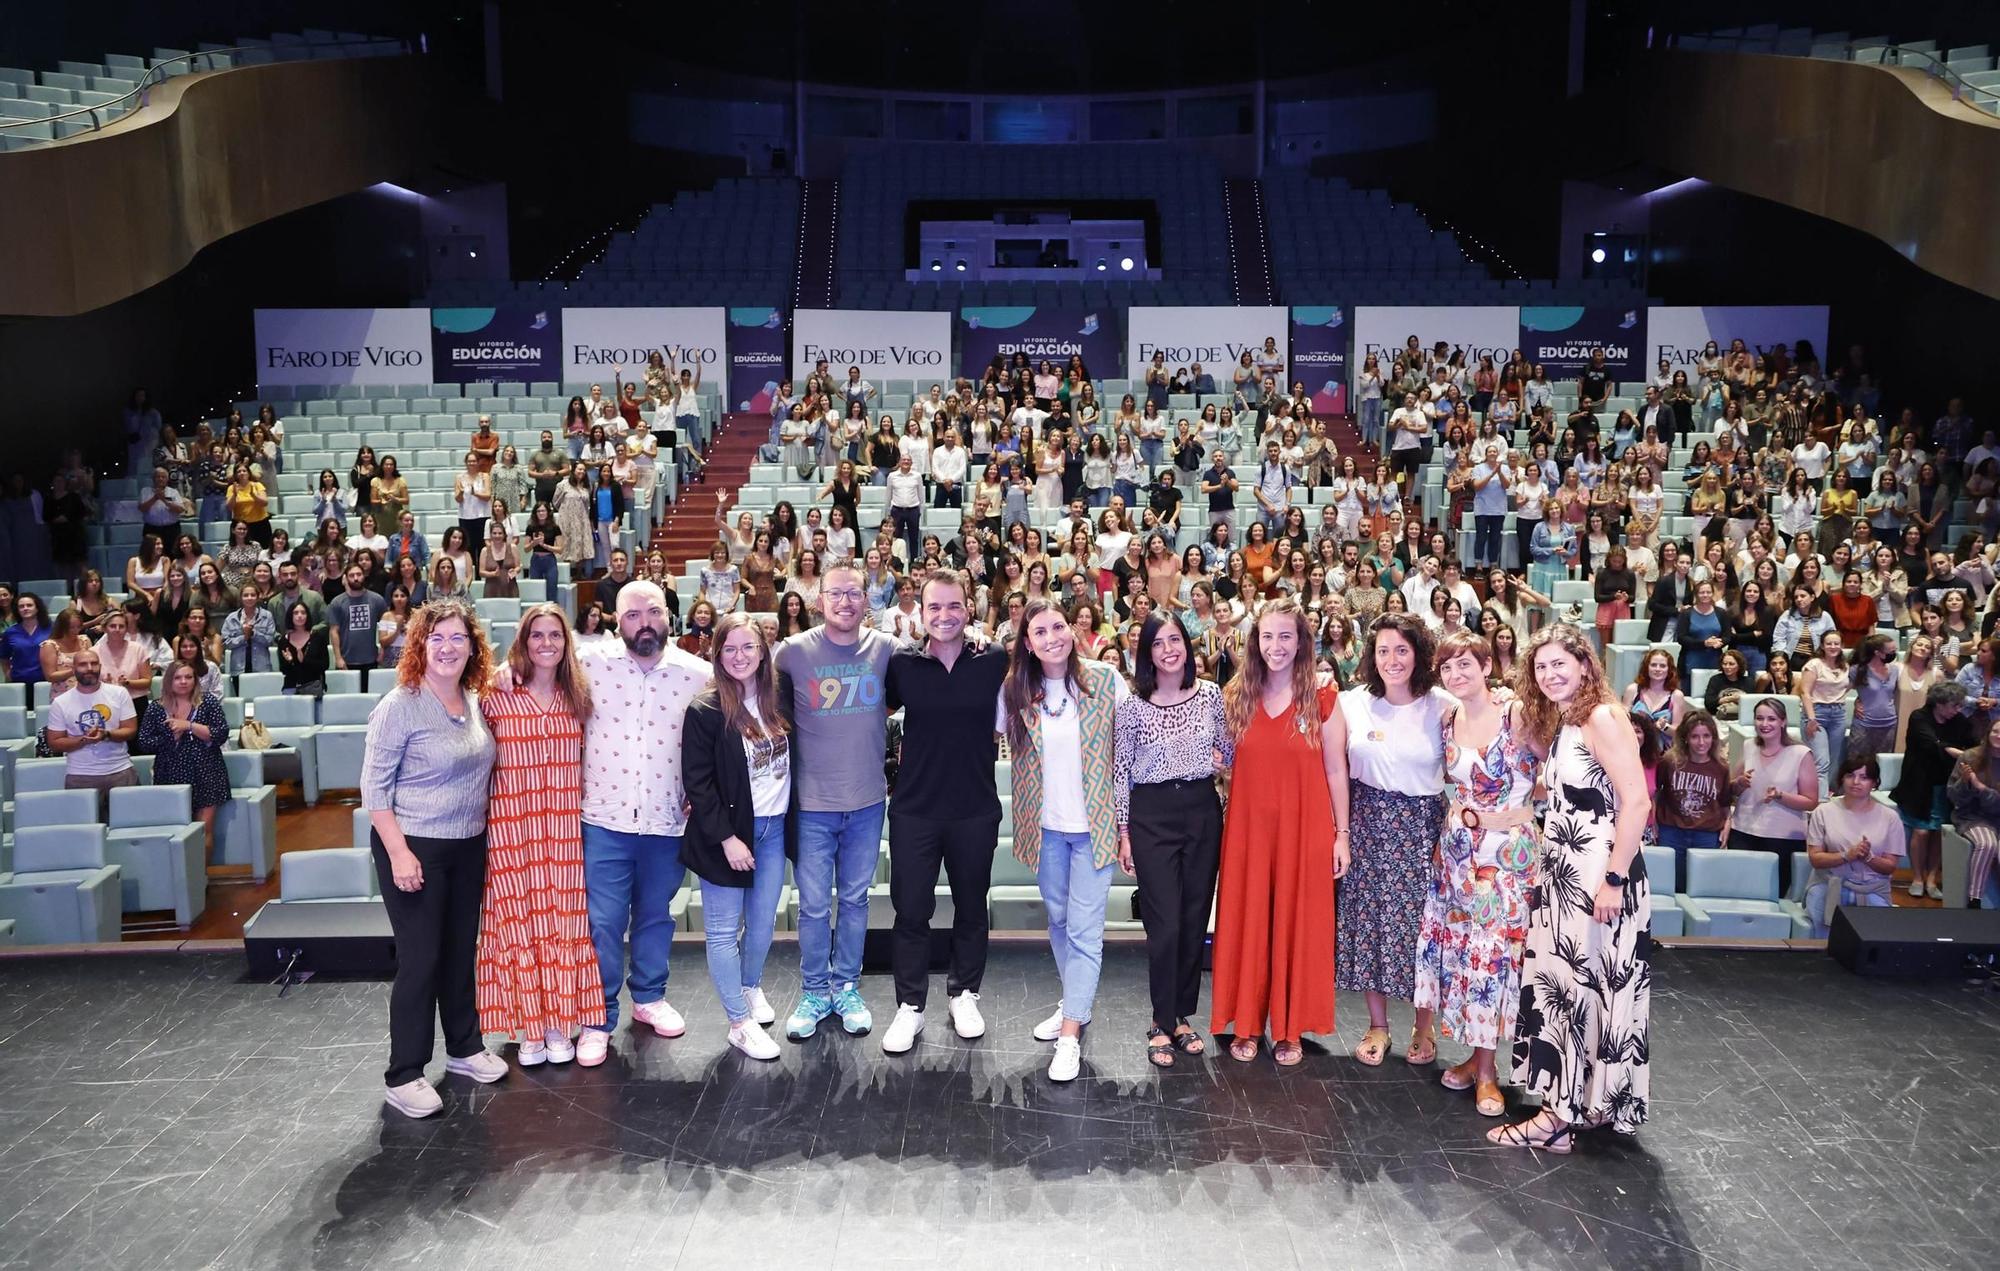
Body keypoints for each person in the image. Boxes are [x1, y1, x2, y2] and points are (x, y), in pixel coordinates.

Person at [1494, 624, 1651, 1151]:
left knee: (1574, 990)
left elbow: (1637, 802)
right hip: (1565, 872)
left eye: (1559, 664)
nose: (1549, 674)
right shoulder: (1569, 721)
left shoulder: (1604, 716)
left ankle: (1555, 1119)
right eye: (1540, 667)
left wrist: (1612, 879)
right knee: (1574, 988)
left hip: (1596, 875)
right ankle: (1582, 1105)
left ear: (1585, 664)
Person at [360, 598, 504, 1117]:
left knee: (459, 950)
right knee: (421, 960)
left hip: (468, 844)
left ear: (472, 647)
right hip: (413, 845)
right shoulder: (400, 705)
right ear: (421, 645)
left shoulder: (473, 699)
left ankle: (465, 1047)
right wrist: (399, 854)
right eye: (437, 638)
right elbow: (373, 791)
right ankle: (404, 1074)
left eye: (458, 638)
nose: (447, 647)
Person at [565, 582, 712, 1064]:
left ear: (668, 615)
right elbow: (527, 670)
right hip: (605, 820)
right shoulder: (588, 664)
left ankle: (649, 998)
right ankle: (597, 1016)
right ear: (616, 619)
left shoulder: (697, 675)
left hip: (666, 822)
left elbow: (720, 738)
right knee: (603, 923)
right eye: (632, 615)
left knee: (654, 916)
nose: (644, 622)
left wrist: (703, 790)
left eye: (653, 612)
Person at [1209, 597, 1347, 1066]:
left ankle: (1289, 1029)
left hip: (1305, 829)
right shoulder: (1235, 695)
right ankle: (1247, 1023)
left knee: (1297, 922)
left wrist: (1341, 835)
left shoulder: (1324, 696)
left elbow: (1335, 772)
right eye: (1267, 636)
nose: (1276, 646)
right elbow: (1221, 761)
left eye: (1285, 636)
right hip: (1249, 830)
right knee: (1249, 922)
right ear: (1255, 641)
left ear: (1302, 641)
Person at [880, 571, 1009, 1055]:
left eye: (953, 606)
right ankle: (910, 1006)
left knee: (972, 908)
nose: (944, 616)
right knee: (912, 912)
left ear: (968, 609)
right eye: (934, 608)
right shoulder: (902, 665)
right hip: (915, 809)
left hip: (975, 809)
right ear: (921, 611)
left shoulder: (993, 659)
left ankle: (964, 994)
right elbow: (874, 715)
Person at [1001, 597, 1129, 1082]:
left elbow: (1127, 755)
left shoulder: (1104, 680)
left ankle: (1071, 1033)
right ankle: (1074, 1001)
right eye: (1039, 631)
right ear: (1028, 644)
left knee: (1084, 930)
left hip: (1095, 828)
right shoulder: (1016, 689)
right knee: (1057, 920)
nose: (1051, 636)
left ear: (1073, 631)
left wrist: (1125, 827)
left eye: (1058, 626)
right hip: (1046, 827)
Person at [474, 604, 603, 1069]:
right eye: (536, 636)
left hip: (564, 828)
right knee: (520, 924)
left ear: (567, 642)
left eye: (555, 635)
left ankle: (558, 1024)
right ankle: (530, 1027)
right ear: (522, 642)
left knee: (563, 923)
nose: (546, 643)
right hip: (511, 828)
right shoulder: (496, 693)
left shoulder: (580, 695)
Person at [1417, 630, 1539, 1117]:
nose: (1456, 674)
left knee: (1492, 959)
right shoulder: (1448, 719)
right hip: (1457, 854)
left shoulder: (1517, 714)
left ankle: (1488, 1072)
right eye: (1447, 668)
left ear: (1486, 665)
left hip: (1506, 855)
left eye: (1465, 664)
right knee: (1464, 957)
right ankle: (1474, 1056)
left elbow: (1555, 764)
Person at [774, 564, 897, 1041]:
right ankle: (814, 991)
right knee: (812, 908)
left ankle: (846, 985)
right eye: (836, 594)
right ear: (818, 599)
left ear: (866, 600)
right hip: (812, 806)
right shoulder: (792, 653)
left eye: (854, 594)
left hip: (867, 803)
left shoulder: (885, 649)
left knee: (854, 900)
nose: (845, 602)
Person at [1115, 611, 1229, 1068]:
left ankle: (1181, 1016)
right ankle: (1161, 1022)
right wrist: (1124, 831)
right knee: (1163, 925)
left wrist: (1221, 760)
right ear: (1147, 652)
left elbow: (1229, 750)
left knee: (1193, 918)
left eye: (1175, 639)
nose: (1169, 649)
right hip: (1152, 816)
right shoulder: (1133, 705)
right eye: (1158, 642)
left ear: (1187, 644)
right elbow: (1120, 772)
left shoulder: (1210, 696)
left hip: (1202, 809)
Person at [1339, 612, 1451, 1066]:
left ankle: (1424, 1029)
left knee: (1424, 926)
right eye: (1383, 650)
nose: (1392, 659)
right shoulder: (1352, 703)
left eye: (1401, 649)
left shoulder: (1443, 704)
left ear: (1419, 654)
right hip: (1366, 820)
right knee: (1371, 925)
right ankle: (1378, 1025)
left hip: (1422, 824)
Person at [680, 613, 792, 1061]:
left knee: (762, 925)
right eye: (730, 649)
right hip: (728, 835)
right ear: (717, 654)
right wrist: (727, 838)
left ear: (763, 652)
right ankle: (738, 1023)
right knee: (725, 932)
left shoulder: (777, 702)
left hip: (773, 828)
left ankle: (749, 987)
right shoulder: (705, 710)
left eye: (748, 647)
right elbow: (698, 783)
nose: (740, 656)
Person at [1802, 753, 1903, 935]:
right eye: (1850, 775)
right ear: (1842, 778)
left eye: (1864, 777)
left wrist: (1868, 858)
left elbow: (1890, 867)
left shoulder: (1890, 818)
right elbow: (1815, 859)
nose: (1856, 782)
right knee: (1821, 944)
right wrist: (1846, 856)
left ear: (1874, 783)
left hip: (1872, 889)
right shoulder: (1823, 812)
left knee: (1875, 944)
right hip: (1829, 885)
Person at [1892, 681, 1975, 902]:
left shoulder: (1960, 721)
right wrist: (1956, 752)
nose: (1957, 710)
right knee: (1921, 831)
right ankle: (1917, 877)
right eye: (1954, 705)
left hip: (1945, 783)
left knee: (1939, 831)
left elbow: (1974, 744)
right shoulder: (1920, 717)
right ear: (1939, 703)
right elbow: (1930, 743)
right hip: (1919, 783)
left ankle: (1931, 878)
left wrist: (1967, 754)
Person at [1728, 697, 1820, 896]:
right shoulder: (1749, 746)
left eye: (1771, 719)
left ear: (1783, 721)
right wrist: (1738, 784)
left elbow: (1811, 802)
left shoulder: (1800, 753)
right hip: (1744, 830)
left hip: (1782, 837)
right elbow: (1732, 788)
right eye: (1759, 718)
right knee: (1741, 892)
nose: (1764, 724)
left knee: (1771, 895)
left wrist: (1781, 796)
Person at [137, 660, 228, 852]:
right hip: (170, 772)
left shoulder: (208, 702)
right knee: (177, 832)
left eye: (188, 677)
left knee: (204, 830)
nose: (184, 681)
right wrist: (170, 739)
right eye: (178, 678)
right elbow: (144, 742)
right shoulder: (156, 708)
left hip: (207, 771)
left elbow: (221, 733)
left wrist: (189, 726)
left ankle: (201, 879)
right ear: (169, 681)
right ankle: (182, 878)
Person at [44, 647, 138, 809]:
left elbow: (130, 730)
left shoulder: (119, 693)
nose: (89, 668)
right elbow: (54, 742)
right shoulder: (61, 702)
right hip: (80, 775)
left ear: (100, 667)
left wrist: (106, 734)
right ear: (73, 669)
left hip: (120, 771)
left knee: (129, 826)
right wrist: (84, 740)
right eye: (83, 664)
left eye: (94, 664)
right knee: (85, 830)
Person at [1654, 710, 1730, 891]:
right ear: (1686, 738)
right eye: (1695, 736)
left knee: (1702, 887)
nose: (1701, 742)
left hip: (1706, 833)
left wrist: (1727, 826)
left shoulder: (1721, 766)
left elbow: (1725, 802)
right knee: (1671, 885)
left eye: (1706, 736)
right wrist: (1654, 823)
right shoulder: (1670, 761)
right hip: (1672, 831)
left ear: (1714, 738)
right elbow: (1656, 792)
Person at [327, 563, 388, 690]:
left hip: (371, 659)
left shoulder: (377, 600)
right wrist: (338, 658)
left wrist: (383, 649)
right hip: (347, 660)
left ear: (364, 576)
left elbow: (386, 624)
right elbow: (334, 632)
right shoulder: (337, 602)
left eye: (359, 574)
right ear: (345, 578)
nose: (356, 578)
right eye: (352, 575)